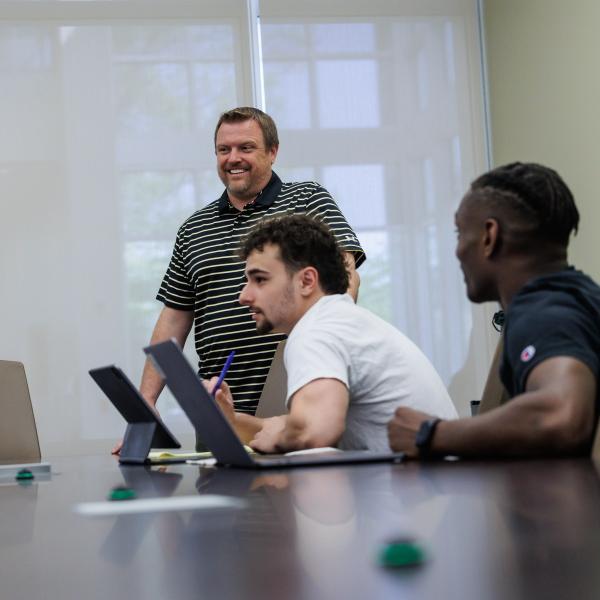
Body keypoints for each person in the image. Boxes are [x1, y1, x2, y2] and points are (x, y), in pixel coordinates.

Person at [113, 107, 364, 453]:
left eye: (246, 148)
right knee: (221, 502)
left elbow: (345, 272)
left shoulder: (307, 199)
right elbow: (174, 318)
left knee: (304, 502)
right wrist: (146, 403)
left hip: (299, 397)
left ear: (272, 152)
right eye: (223, 150)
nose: (233, 159)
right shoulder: (193, 229)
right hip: (219, 411)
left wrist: (326, 345)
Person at [388, 162, 600, 458]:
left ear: (489, 236)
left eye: (460, 234)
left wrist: (431, 433)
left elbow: (561, 415)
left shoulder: (544, 312)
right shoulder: (579, 297)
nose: (458, 251)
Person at [209, 214, 457, 453]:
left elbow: (314, 431)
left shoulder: (317, 332)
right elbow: (277, 428)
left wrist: (283, 438)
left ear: (306, 281)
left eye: (260, 280)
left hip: (422, 489)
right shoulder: (338, 320)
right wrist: (228, 419)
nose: (243, 296)